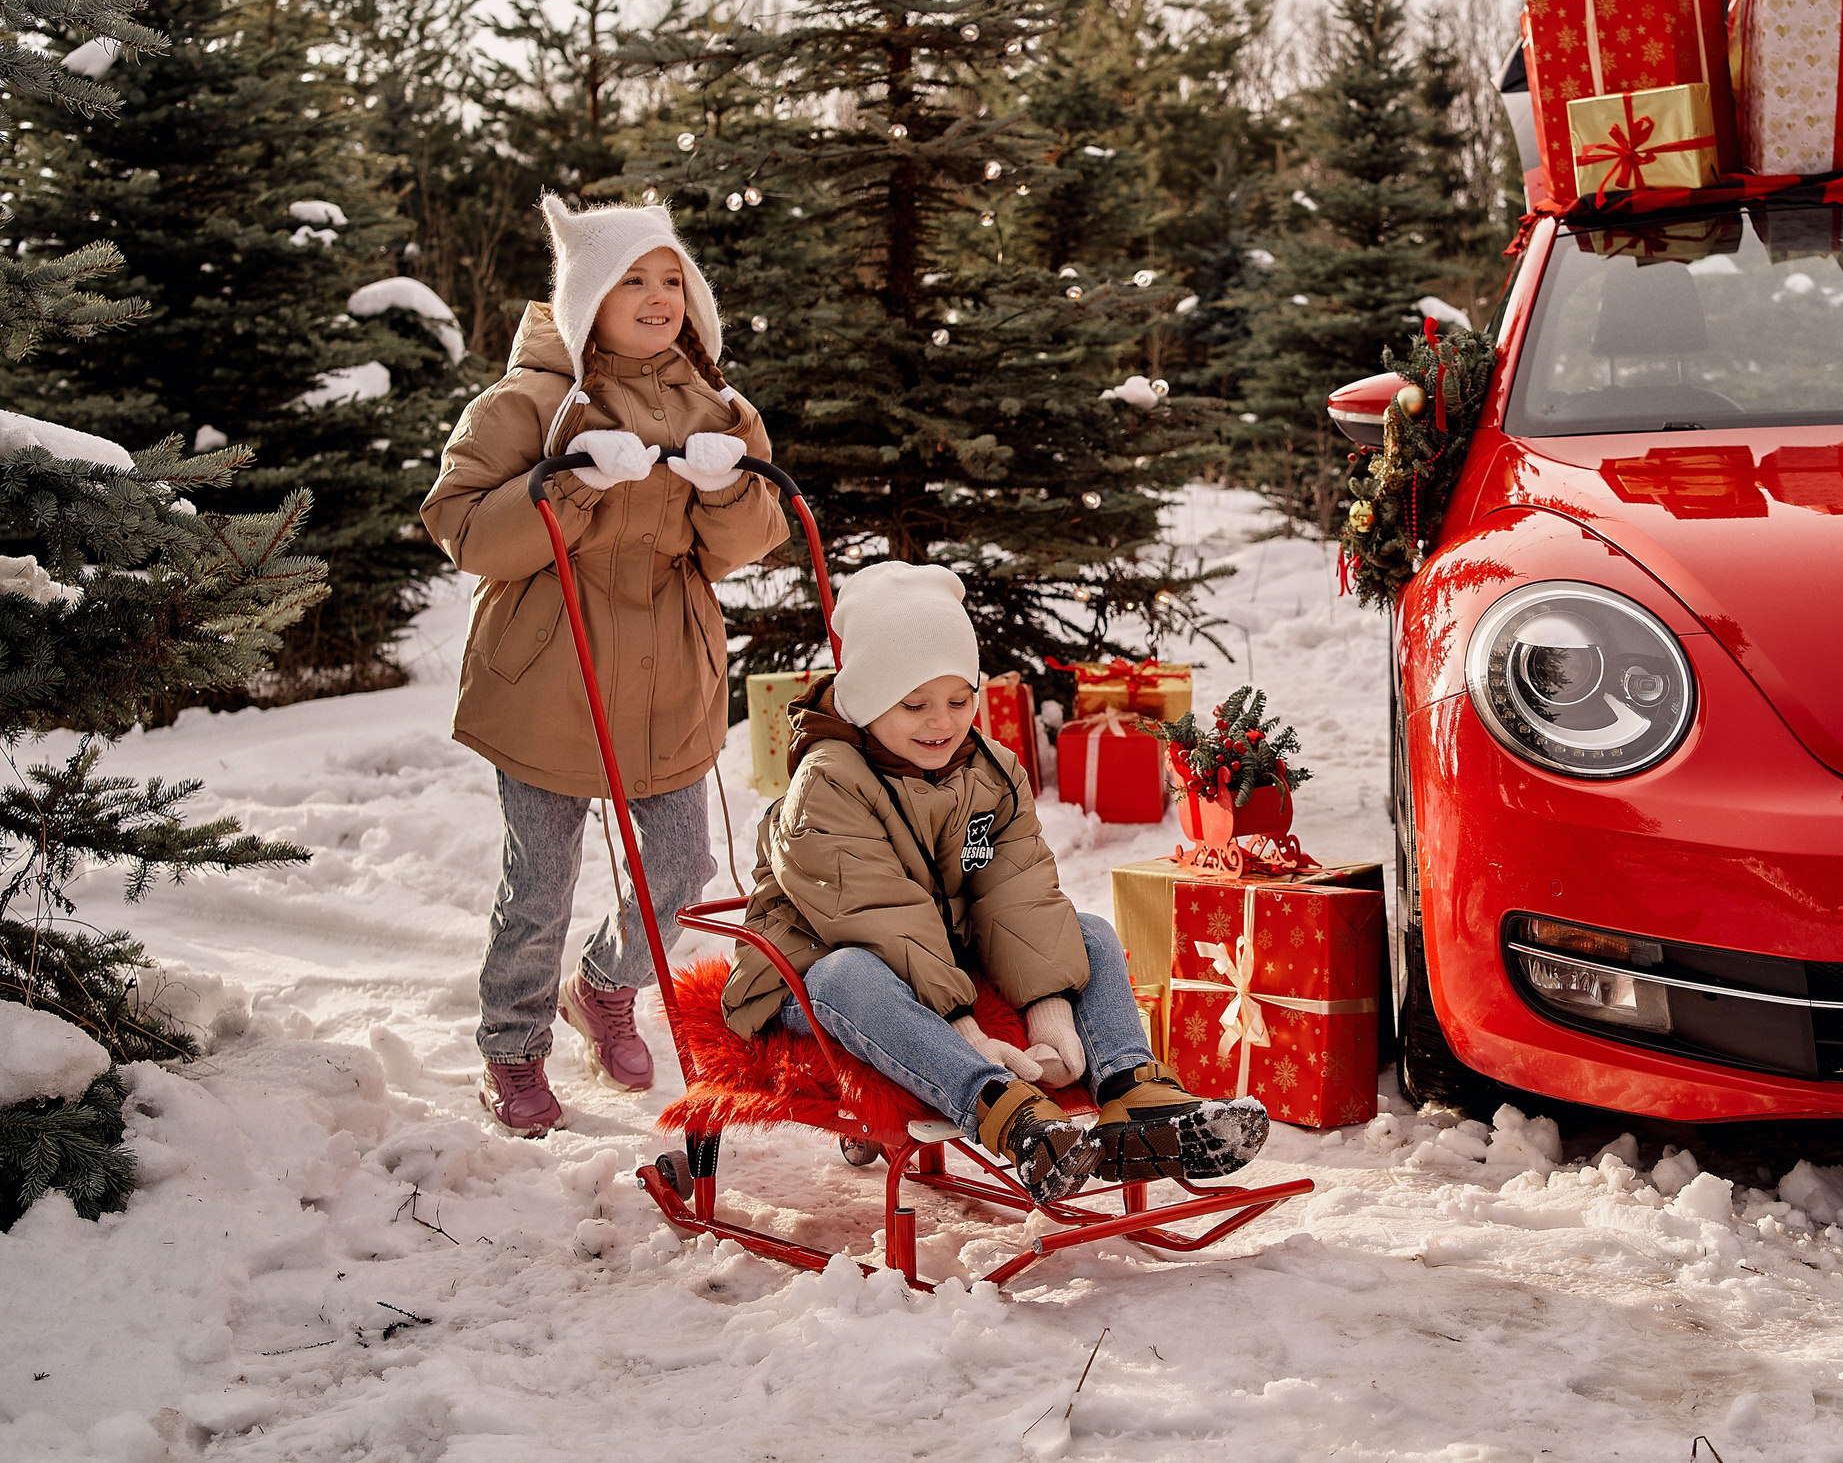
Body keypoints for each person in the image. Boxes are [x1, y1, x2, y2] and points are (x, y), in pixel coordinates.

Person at [723, 561, 1268, 1203]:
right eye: (915, 704)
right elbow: (876, 915)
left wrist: (1049, 1015)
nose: (942, 722)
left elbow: (1012, 890)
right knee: (847, 973)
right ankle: (1006, 1113)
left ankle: (1135, 1097)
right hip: (809, 967)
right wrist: (965, 1028)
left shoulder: (989, 772)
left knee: (1085, 933)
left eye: (959, 700)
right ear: (868, 701)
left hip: (934, 955)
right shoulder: (828, 782)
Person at [424, 197, 789, 1136]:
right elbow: (461, 528)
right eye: (634, 278)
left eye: (672, 278)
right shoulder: (527, 403)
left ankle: (604, 987)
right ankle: (511, 1047)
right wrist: (573, 483)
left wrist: (723, 489)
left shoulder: (720, 408)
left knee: (679, 867)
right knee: (539, 882)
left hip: (669, 676)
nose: (659, 295)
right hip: (551, 673)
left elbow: (743, 544)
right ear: (588, 296)